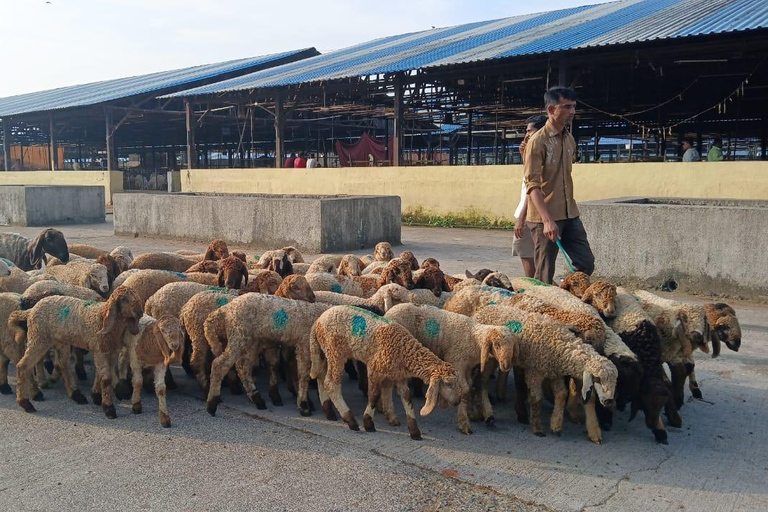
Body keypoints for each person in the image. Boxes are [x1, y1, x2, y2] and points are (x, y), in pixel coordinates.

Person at [524, 86, 595, 284]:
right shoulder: (538, 142)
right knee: (544, 273)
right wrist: (547, 221)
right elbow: (532, 185)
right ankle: (542, 309)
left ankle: (567, 293)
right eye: (566, 107)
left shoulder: (569, 139)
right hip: (544, 216)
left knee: (586, 263)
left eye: (574, 107)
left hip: (570, 214)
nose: (572, 111)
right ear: (551, 109)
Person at [514, 114, 547, 278]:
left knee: (532, 262)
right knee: (534, 261)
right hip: (531, 214)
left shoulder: (541, 153)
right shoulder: (538, 152)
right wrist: (524, 156)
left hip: (530, 215)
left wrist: (521, 217)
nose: (526, 135)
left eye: (530, 131)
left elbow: (532, 190)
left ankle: (534, 291)